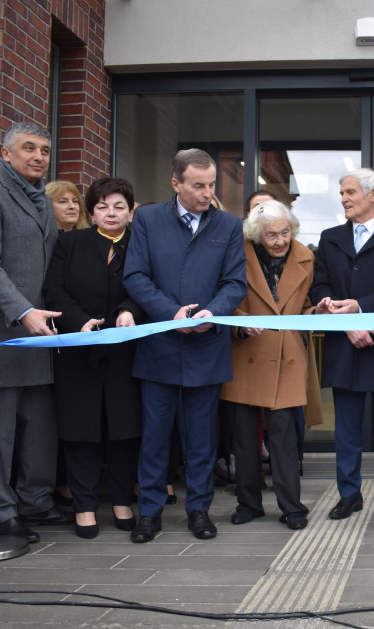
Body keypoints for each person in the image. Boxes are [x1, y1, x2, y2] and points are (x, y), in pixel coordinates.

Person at [123, 148, 247, 543]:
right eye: (198, 185)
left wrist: (210, 313)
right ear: (175, 184)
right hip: (160, 343)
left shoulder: (228, 226)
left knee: (201, 438)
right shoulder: (146, 218)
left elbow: (235, 283)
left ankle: (199, 511)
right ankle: (150, 514)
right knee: (155, 435)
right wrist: (170, 313)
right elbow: (136, 276)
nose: (207, 193)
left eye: (211, 185)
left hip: (206, 344)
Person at [0, 121, 69, 543]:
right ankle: (0, 511)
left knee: (40, 427)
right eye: (28, 148)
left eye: (44, 149)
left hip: (40, 336)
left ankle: (35, 502)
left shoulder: (42, 199)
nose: (38, 156)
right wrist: (23, 311)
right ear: (5, 154)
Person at [311, 168, 374, 525]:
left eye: (351, 192)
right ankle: (348, 495)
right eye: (342, 193)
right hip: (344, 347)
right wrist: (330, 305)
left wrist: (361, 308)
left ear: (373, 195)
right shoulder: (329, 238)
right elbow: (319, 285)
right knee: (347, 430)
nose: (344, 199)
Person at [42, 177, 143, 538]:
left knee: (124, 429)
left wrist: (129, 309)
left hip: (126, 352)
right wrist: (78, 320)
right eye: (102, 206)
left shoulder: (141, 244)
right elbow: (52, 288)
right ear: (91, 212)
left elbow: (148, 286)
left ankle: (120, 500)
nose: (111, 213)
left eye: (119, 206)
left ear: (131, 212)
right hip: (78, 350)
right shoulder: (70, 242)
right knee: (80, 429)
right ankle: (84, 505)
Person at [220, 200, 316, 530]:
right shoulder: (237, 254)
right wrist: (241, 323)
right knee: (245, 441)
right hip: (247, 351)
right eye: (271, 235)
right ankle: (249, 503)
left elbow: (304, 306)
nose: (279, 241)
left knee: (284, 439)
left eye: (285, 233)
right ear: (257, 235)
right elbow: (221, 299)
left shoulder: (305, 256)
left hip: (287, 355)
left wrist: (319, 314)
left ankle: (292, 507)